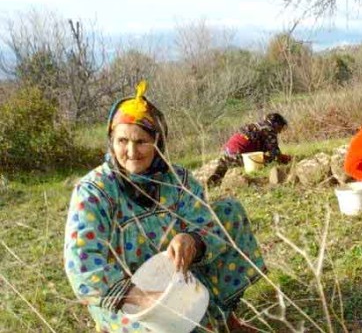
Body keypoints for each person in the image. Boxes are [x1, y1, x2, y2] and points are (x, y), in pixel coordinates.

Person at [64, 81, 266, 332]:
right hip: (129, 298)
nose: (130, 151)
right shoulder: (95, 192)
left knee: (228, 212)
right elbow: (82, 265)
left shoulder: (176, 179)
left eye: (141, 141)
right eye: (122, 140)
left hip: (177, 279)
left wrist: (192, 240)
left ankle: (225, 317)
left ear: (157, 142)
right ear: (111, 141)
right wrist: (142, 298)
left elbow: (207, 220)